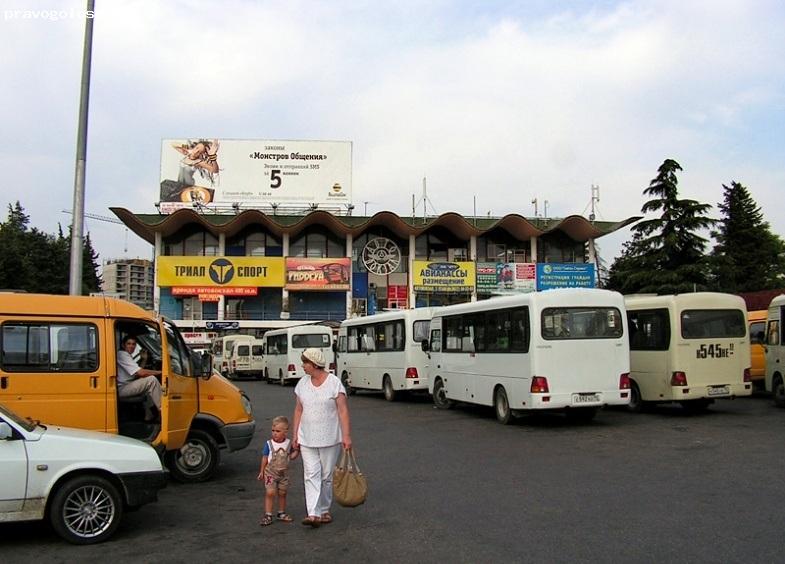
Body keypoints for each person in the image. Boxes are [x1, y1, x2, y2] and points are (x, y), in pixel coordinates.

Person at [292, 348, 352, 528]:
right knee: (311, 474)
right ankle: (313, 513)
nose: (302, 366)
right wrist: (295, 434)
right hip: (307, 437)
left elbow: (343, 411)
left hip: (330, 438)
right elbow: (298, 409)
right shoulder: (302, 383)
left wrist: (346, 436)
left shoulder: (334, 383)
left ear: (314, 364)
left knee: (326, 476)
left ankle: (324, 510)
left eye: (305, 363)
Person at [257, 416, 299, 526]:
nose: (274, 433)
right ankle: (268, 514)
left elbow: (291, 456)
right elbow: (265, 458)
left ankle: (281, 512)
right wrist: (262, 471)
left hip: (283, 474)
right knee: (270, 492)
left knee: (283, 493)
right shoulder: (269, 444)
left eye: (278, 431)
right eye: (273, 431)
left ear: (285, 432)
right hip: (270, 473)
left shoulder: (288, 444)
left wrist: (298, 451)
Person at [116, 335, 163, 422]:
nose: (131, 346)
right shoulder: (122, 354)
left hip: (126, 386)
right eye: (128, 344)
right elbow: (141, 372)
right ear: (123, 345)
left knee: (148, 389)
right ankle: (163, 411)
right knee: (151, 380)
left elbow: (137, 373)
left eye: (133, 344)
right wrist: (161, 372)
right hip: (121, 389)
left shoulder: (126, 355)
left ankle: (149, 416)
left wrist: (144, 359)